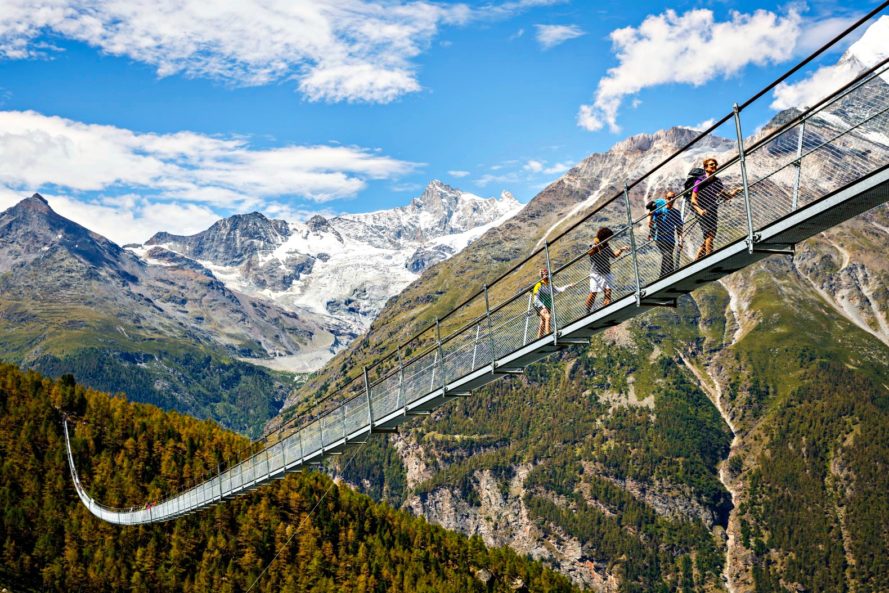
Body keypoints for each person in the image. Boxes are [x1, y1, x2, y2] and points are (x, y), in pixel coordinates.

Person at [690, 158, 739, 259]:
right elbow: (693, 200)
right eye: (711, 164)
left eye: (715, 165)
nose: (714, 166)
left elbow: (725, 197)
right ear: (705, 168)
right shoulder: (699, 181)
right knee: (709, 235)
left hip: (712, 210)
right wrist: (699, 210)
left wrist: (735, 191)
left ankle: (696, 260)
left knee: (710, 237)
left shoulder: (717, 181)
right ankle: (710, 258)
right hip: (702, 211)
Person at [586, 227, 627, 313]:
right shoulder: (594, 244)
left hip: (606, 272)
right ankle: (587, 311)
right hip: (596, 273)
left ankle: (606, 311)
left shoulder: (606, 246)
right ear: (604, 236)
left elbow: (613, 255)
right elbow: (589, 252)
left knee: (608, 292)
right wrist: (595, 247)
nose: (610, 239)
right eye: (609, 237)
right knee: (593, 293)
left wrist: (621, 250)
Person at [648, 192, 684, 278]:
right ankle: (670, 278)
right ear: (665, 198)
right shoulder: (660, 209)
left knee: (667, 257)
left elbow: (679, 229)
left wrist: (680, 240)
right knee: (667, 255)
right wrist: (650, 222)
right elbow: (651, 214)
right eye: (669, 198)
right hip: (660, 238)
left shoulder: (676, 213)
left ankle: (662, 277)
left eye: (673, 198)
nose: (671, 200)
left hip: (671, 240)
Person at [532, 268, 565, 339]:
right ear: (542, 276)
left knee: (543, 322)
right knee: (548, 317)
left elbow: (559, 290)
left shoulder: (550, 285)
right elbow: (535, 299)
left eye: (548, 275)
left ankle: (539, 338)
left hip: (547, 304)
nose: (547, 276)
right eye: (546, 275)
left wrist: (568, 286)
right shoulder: (538, 285)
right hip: (539, 304)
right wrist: (543, 306)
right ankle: (548, 335)